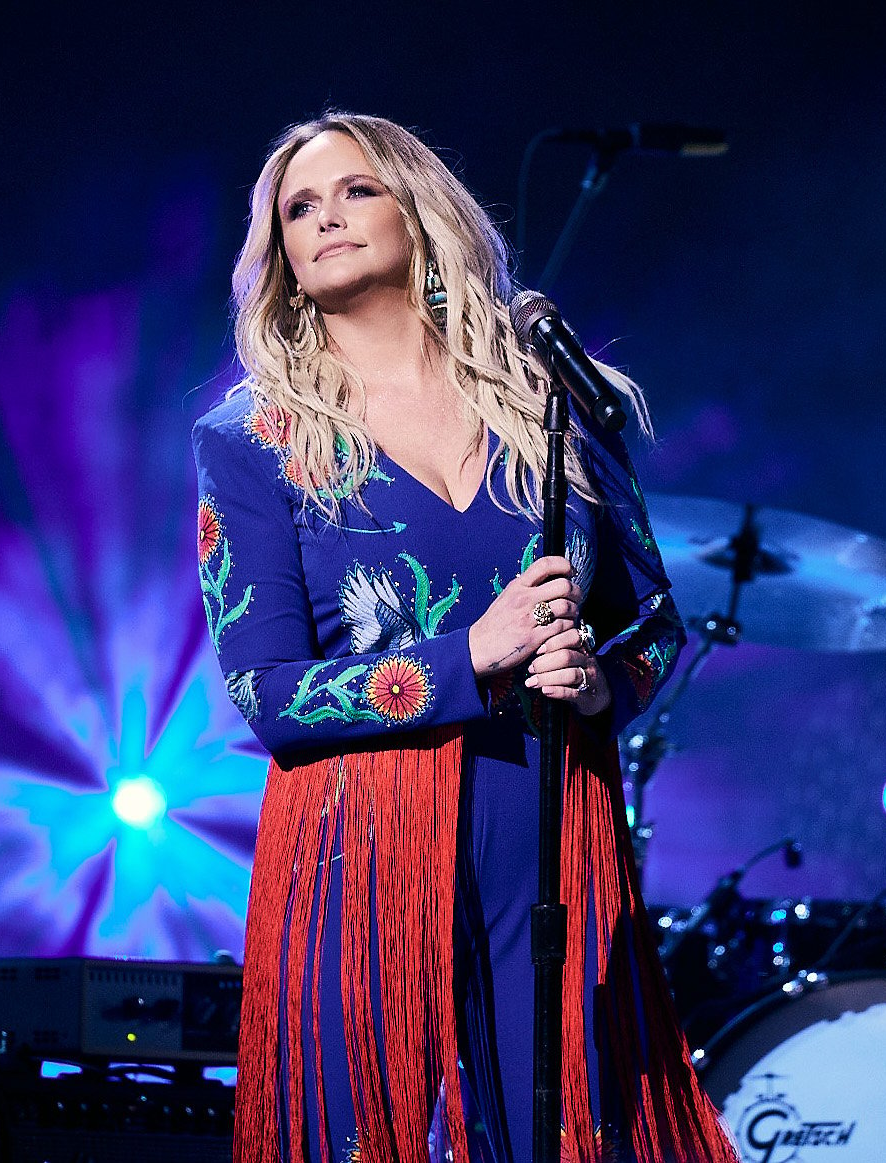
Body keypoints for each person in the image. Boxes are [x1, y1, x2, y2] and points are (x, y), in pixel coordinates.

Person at [193, 112, 734, 1163]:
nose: (327, 219)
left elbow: (655, 625)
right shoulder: (252, 439)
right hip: (359, 841)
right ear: (281, 258)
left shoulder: (555, 404)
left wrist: (597, 688)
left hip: (547, 820)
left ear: (419, 208)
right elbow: (267, 695)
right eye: (299, 207)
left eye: (355, 191)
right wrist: (469, 653)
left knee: (572, 1133)